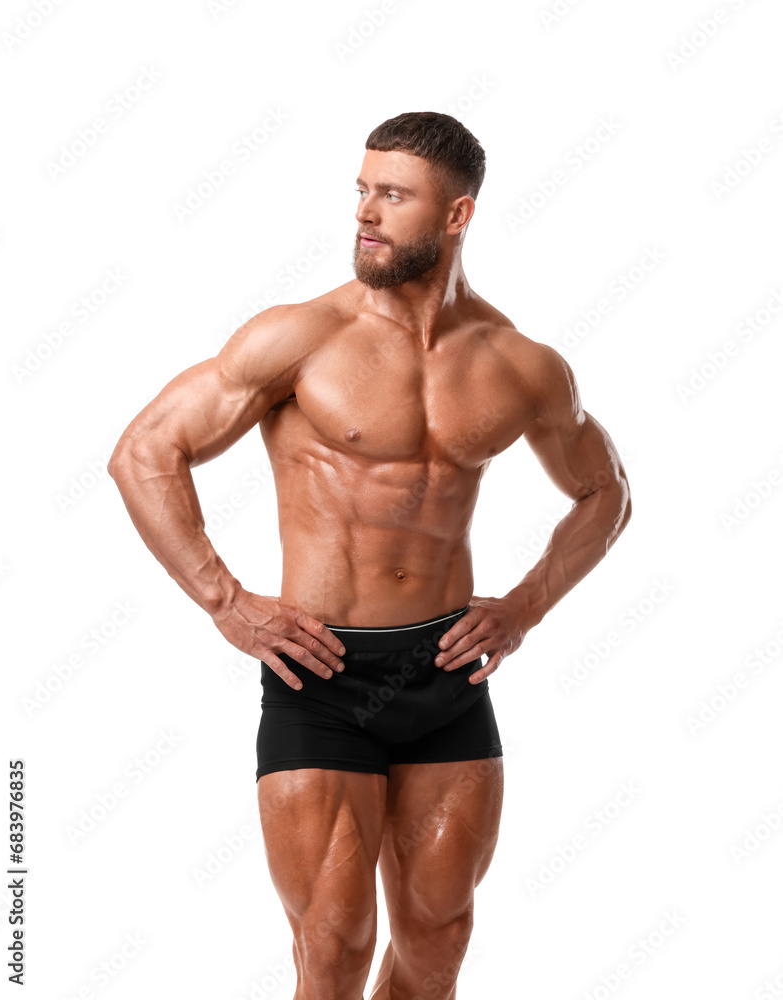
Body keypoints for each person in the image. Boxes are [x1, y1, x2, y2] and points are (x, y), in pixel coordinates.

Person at [108, 110, 631, 1000]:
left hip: (446, 672)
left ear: (456, 215)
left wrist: (526, 604)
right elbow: (145, 450)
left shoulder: (519, 364)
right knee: (335, 948)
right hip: (321, 675)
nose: (366, 213)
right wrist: (227, 602)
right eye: (361, 191)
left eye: (392, 195)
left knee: (437, 941)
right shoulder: (301, 337)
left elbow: (603, 491)